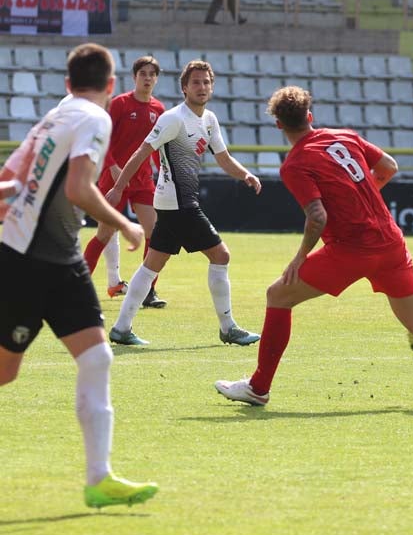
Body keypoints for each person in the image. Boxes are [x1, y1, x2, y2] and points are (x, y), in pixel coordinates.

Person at [214, 86, 413, 411]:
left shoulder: (294, 165)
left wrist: (299, 257)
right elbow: (389, 166)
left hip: (350, 250)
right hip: (391, 244)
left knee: (278, 295)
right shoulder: (345, 136)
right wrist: (360, 194)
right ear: (310, 116)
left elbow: (317, 216)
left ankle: (258, 388)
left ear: (278, 125)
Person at [0, 43, 158, 509]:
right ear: (111, 86)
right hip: (29, 260)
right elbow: (78, 187)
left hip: (54, 258)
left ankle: (99, 478)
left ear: (68, 84)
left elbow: (11, 179)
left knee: (96, 357)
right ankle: (99, 476)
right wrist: (126, 222)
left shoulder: (55, 116)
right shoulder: (94, 118)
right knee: (6, 371)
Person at [105, 60, 261, 347]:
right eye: (196, 82)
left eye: (206, 82)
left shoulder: (209, 119)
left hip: (173, 201)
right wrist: (117, 188)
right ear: (184, 88)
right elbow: (141, 153)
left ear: (212, 86)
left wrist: (245, 174)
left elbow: (223, 158)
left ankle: (121, 328)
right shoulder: (173, 118)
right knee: (221, 256)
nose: (202, 87)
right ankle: (228, 328)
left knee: (153, 263)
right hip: (178, 203)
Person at [83, 55, 167, 309]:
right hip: (114, 178)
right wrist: (113, 166)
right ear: (134, 77)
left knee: (155, 234)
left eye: (152, 74)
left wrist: (162, 168)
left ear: (157, 78)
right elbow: (103, 138)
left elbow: (155, 146)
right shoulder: (119, 104)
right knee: (104, 233)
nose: (148, 78)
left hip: (142, 180)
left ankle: (148, 291)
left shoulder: (159, 110)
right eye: (143, 73)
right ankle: (79, 289)